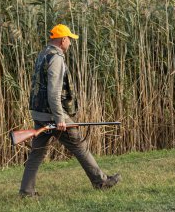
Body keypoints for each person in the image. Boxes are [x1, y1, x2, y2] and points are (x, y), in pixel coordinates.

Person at [19, 24, 121, 197]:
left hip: (39, 113)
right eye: (70, 40)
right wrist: (60, 118)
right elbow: (53, 92)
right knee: (80, 146)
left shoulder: (43, 54)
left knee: (36, 154)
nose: (71, 44)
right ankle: (101, 182)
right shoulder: (56, 58)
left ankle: (26, 192)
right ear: (62, 40)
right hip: (53, 114)